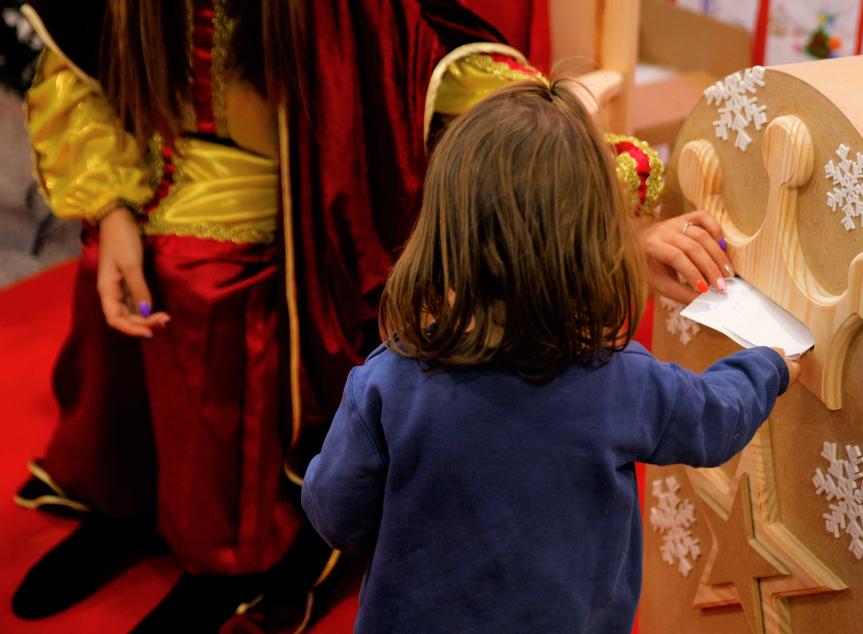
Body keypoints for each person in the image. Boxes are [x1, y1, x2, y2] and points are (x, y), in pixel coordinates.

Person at [11, 1, 559, 631]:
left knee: (198, 275)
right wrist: (108, 212)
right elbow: (77, 77)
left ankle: (227, 555)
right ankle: (122, 503)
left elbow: (437, 59)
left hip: (279, 180)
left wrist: (604, 166)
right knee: (103, 269)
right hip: (149, 156)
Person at [300, 80, 799, 632]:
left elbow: (335, 514)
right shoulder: (622, 379)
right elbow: (715, 419)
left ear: (441, 233)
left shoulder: (389, 380)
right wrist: (767, 365)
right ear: (595, 241)